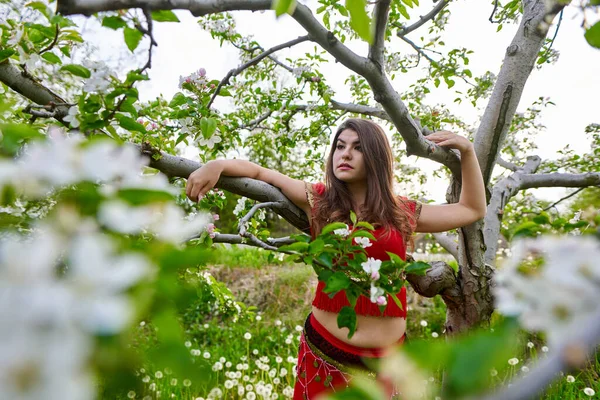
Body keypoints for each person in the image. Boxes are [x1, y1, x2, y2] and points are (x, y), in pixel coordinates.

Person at [185, 119, 486, 399]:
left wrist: (468, 151)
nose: (345, 154)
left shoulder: (402, 212)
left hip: (387, 364)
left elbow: (472, 209)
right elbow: (262, 173)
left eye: (357, 147)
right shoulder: (319, 200)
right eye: (340, 146)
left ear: (377, 157)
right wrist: (217, 164)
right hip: (325, 358)